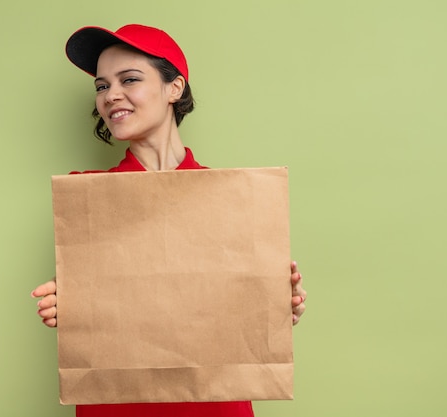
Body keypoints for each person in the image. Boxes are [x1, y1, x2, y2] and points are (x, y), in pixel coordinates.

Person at [31, 24, 307, 417]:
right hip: (118, 405)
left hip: (216, 405)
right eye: (102, 86)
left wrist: (276, 308)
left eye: (129, 79)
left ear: (174, 88)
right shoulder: (86, 199)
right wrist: (69, 306)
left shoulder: (232, 197)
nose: (111, 96)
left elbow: (236, 314)